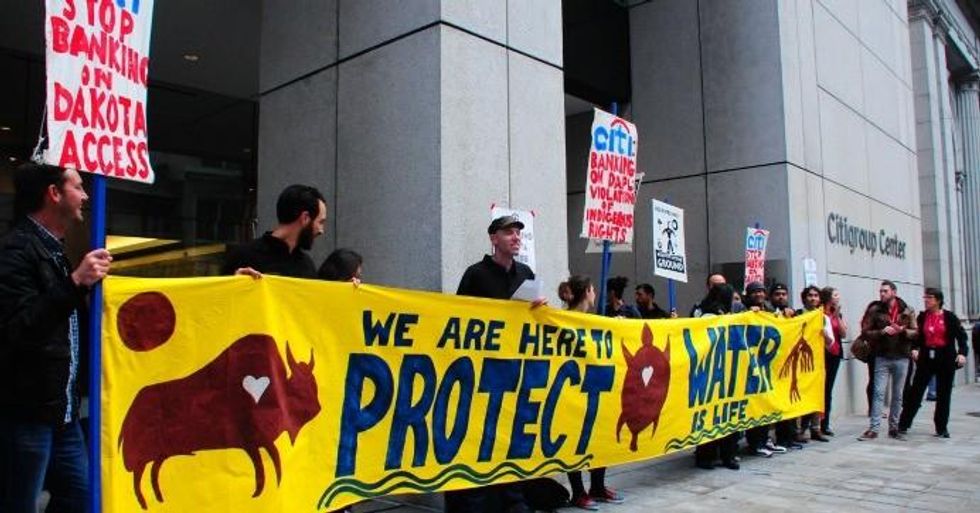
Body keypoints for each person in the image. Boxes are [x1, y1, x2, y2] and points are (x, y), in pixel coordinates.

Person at [0, 163, 113, 513]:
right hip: (28, 414)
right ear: (54, 194)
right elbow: (19, 329)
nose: (85, 195)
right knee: (19, 503)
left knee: (79, 499)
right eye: (78, 187)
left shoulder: (53, 252)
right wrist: (75, 282)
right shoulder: (16, 251)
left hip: (61, 414)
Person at [448, 215, 545, 513]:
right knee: (480, 437)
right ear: (493, 239)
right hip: (483, 373)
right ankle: (476, 502)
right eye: (508, 232)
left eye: (518, 232)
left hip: (515, 370)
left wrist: (539, 310)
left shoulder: (526, 273)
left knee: (511, 436)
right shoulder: (475, 275)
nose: (516, 237)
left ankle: (513, 498)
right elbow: (460, 318)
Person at [560, 275, 626, 510]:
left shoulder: (596, 321)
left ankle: (597, 486)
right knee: (575, 443)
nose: (595, 293)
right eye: (593, 289)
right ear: (588, 291)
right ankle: (578, 492)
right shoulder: (565, 320)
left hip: (596, 389)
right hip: (574, 391)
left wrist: (616, 326)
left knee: (598, 440)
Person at [898, 288, 969, 438]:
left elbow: (962, 337)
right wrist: (915, 348)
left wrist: (962, 353)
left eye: (929, 298)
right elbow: (918, 337)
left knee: (944, 394)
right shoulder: (923, 317)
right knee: (916, 392)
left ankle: (941, 427)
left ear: (938, 300)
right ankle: (904, 424)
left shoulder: (949, 317)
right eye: (925, 297)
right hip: (926, 357)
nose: (926, 300)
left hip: (945, 356)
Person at [222, 184, 326, 278]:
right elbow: (218, 297)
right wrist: (235, 283)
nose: (321, 230)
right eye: (320, 222)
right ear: (305, 218)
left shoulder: (307, 266)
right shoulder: (244, 257)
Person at [858, 280, 917, 441]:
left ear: (894, 292)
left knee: (897, 395)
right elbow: (865, 332)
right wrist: (881, 332)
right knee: (878, 393)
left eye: (885, 291)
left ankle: (894, 428)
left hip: (901, 356)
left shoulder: (906, 310)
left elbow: (916, 332)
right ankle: (874, 428)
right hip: (882, 356)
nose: (882, 294)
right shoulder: (875, 309)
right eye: (881, 291)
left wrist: (903, 331)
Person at [693, 284, 741, 471]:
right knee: (710, 415)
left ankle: (728, 454)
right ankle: (707, 455)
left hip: (726, 370)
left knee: (728, 414)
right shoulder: (705, 316)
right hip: (711, 371)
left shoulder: (726, 315)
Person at [742, 281, 788, 456]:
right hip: (750, 364)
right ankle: (755, 443)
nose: (759, 294)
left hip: (767, 364)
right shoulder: (742, 310)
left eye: (761, 291)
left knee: (767, 405)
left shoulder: (769, 311)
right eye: (755, 292)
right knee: (755, 406)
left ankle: (765, 439)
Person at [818, 286, 846, 438]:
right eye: (835, 294)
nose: (838, 297)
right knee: (820, 389)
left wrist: (837, 316)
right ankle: (814, 423)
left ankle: (825, 423)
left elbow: (843, 332)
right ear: (828, 297)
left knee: (828, 389)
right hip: (821, 353)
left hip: (834, 354)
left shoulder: (837, 313)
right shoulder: (820, 313)